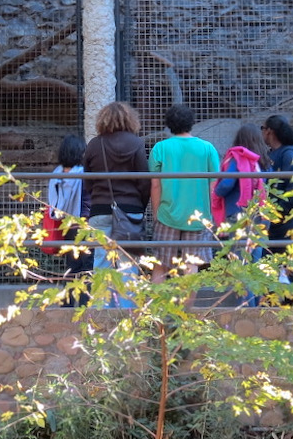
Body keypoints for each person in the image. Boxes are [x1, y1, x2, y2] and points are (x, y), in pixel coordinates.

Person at [83, 101, 150, 306]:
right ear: (130, 120)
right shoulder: (136, 143)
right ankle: (126, 315)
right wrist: (140, 206)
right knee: (128, 263)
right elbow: (144, 180)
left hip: (100, 209)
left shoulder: (94, 145)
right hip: (130, 210)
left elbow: (87, 180)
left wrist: (97, 198)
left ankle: (100, 314)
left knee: (101, 261)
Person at [148, 103, 222, 278]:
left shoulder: (160, 148)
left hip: (167, 213)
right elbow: (214, 184)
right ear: (192, 123)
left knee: (161, 263)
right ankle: (186, 306)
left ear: (169, 123)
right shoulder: (207, 148)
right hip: (198, 215)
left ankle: (156, 305)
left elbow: (155, 184)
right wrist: (210, 213)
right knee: (191, 265)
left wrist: (156, 212)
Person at [47, 134, 90, 301]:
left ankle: (69, 305)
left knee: (72, 265)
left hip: (65, 223)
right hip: (83, 223)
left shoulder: (56, 174)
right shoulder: (84, 174)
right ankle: (86, 305)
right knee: (87, 265)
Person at [261, 115, 293, 277]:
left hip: (287, 223)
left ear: (269, 131)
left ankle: (292, 301)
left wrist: (277, 213)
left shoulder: (289, 154)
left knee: (288, 270)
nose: (262, 133)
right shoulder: (273, 154)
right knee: (270, 269)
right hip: (273, 223)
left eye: (262, 128)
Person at [211, 124, 267, 231]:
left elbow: (227, 183)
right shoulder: (263, 160)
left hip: (237, 211)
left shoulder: (237, 158)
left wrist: (216, 193)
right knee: (255, 246)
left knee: (237, 247)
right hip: (260, 213)